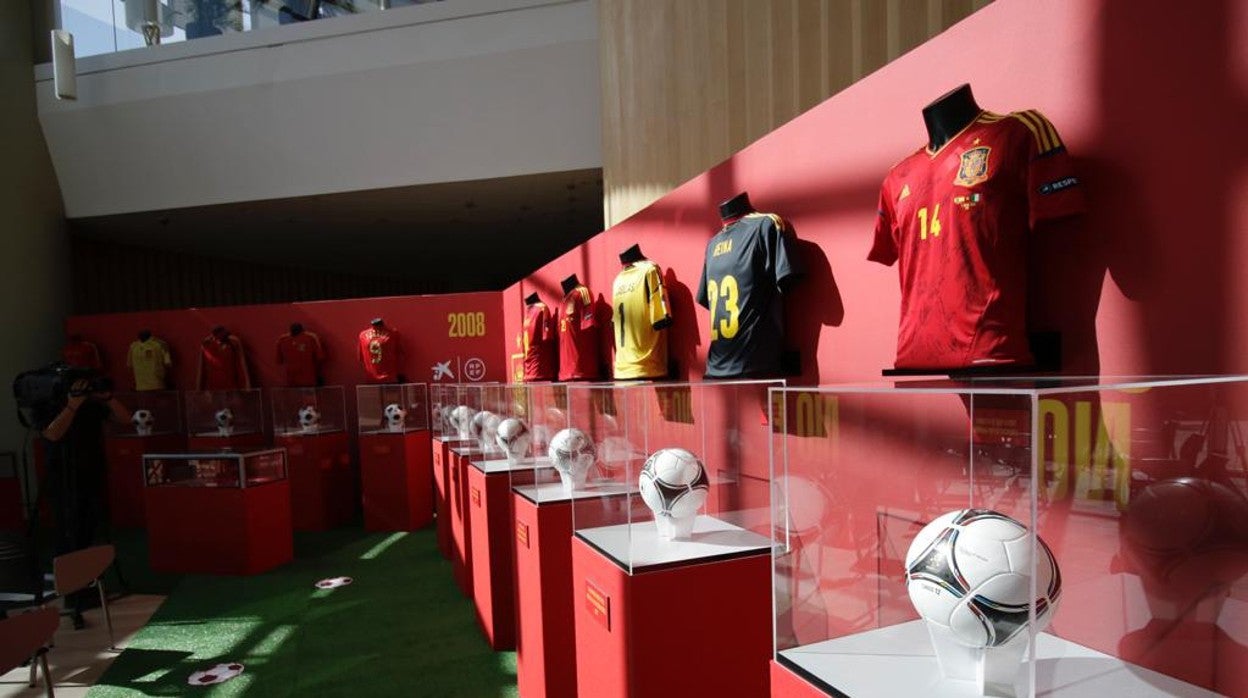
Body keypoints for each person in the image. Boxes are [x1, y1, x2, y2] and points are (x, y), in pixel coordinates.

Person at [39, 378, 129, 629]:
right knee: (68, 538)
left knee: (90, 533)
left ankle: (89, 588)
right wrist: (71, 406)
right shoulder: (49, 405)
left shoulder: (94, 406)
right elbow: (52, 434)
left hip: (91, 476)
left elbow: (125, 418)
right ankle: (72, 595)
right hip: (63, 481)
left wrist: (108, 397)